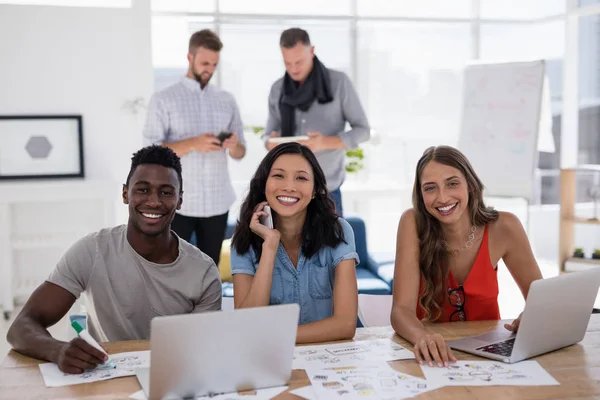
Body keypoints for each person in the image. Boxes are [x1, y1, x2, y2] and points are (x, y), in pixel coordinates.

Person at [6, 145, 222, 374]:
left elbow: (201, 352)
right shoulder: (92, 250)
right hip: (104, 379)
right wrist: (57, 350)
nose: (154, 201)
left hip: (172, 378)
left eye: (166, 192)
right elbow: (21, 327)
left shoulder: (203, 273)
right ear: (125, 194)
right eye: (142, 189)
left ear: (179, 200)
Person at [390, 145, 543, 368]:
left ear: (470, 184)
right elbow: (400, 311)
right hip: (433, 357)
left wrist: (530, 316)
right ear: (421, 194)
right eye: (430, 188)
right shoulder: (412, 223)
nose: (442, 198)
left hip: (491, 357)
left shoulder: (505, 226)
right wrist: (421, 336)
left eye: (452, 183)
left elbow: (540, 300)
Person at [230, 142, 359, 343]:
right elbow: (247, 325)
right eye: (278, 176)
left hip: (330, 356)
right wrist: (270, 246)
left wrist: (277, 337)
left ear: (315, 189)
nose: (289, 187)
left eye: (301, 178)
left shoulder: (339, 231)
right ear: (264, 184)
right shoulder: (243, 242)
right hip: (270, 360)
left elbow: (345, 324)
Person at [143, 29, 245, 265]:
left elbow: (241, 152)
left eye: (214, 64)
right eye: (205, 62)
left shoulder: (226, 100)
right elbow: (150, 151)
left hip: (218, 202)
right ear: (190, 58)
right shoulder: (164, 99)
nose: (209, 69)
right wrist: (193, 143)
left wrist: (233, 145)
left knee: (210, 269)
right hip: (179, 203)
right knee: (169, 265)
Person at [264, 27, 370, 217]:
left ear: (311, 51)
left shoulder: (339, 83)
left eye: (299, 61)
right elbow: (268, 134)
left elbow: (363, 130)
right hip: (288, 194)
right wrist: (270, 142)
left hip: (327, 192)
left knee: (332, 246)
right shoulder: (277, 89)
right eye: (287, 63)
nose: (293, 69)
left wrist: (325, 143)